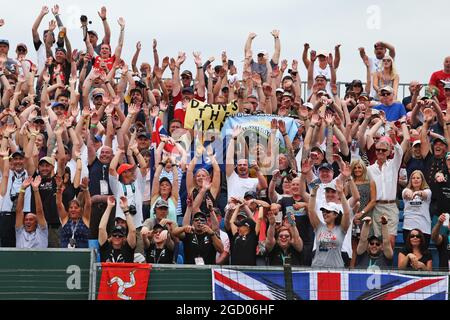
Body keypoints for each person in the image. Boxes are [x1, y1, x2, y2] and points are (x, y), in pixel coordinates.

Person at [368, 132, 403, 249]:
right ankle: (379, 266)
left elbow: (400, 152)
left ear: (389, 152)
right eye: (378, 150)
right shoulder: (369, 169)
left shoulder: (393, 164)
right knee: (378, 241)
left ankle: (389, 266)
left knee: (390, 241)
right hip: (376, 206)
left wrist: (394, 140)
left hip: (391, 206)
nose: (380, 152)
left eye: (383, 150)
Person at [308, 180, 351, 268]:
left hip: (336, 269)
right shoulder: (319, 227)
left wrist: (341, 194)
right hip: (317, 268)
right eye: (323, 211)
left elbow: (347, 213)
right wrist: (314, 192)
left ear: (335, 214)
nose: (324, 213)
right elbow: (311, 210)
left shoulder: (341, 229)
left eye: (328, 211)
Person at [56, 176, 91, 248]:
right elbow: (59, 204)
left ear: (81, 209)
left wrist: (86, 189)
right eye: (71, 207)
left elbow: (88, 205)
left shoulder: (85, 219)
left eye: (76, 207)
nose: (73, 209)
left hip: (81, 255)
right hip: (65, 254)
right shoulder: (65, 219)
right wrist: (59, 188)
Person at [99, 196, 136, 263]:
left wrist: (125, 210)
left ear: (124, 238)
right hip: (108, 273)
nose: (117, 236)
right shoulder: (106, 248)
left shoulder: (128, 248)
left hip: (124, 273)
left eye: (120, 235)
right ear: (111, 236)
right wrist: (109, 207)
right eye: (115, 234)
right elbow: (101, 228)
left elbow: (132, 231)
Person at [15, 176, 48, 248]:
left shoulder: (42, 232)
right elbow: (19, 211)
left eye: (31, 219)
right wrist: (22, 189)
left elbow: (39, 212)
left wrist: (35, 190)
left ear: (36, 222)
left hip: (38, 259)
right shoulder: (20, 232)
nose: (28, 222)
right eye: (26, 220)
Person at [402, 170, 432, 246]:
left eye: (418, 178)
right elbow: (406, 193)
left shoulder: (428, 191)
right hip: (408, 227)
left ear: (422, 180)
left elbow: (425, 194)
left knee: (422, 253)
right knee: (409, 252)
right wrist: (409, 193)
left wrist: (418, 193)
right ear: (410, 180)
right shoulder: (406, 190)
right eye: (413, 178)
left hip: (424, 228)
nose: (416, 179)